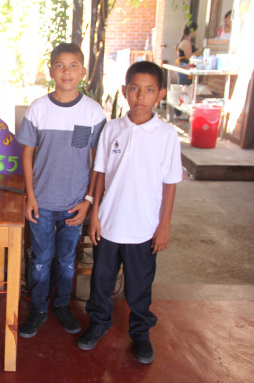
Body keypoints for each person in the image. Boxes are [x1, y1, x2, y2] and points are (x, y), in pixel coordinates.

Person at [78, 61, 183, 364]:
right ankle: (98, 324)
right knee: (101, 279)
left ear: (160, 94)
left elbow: (170, 184)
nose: (141, 96)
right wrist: (94, 214)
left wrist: (164, 226)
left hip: (144, 227)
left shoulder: (165, 135)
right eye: (134, 89)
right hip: (109, 224)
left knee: (139, 284)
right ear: (124, 91)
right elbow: (99, 174)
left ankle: (140, 332)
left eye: (149, 90)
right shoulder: (112, 129)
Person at [15, 43, 106, 338]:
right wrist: (30, 195)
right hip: (41, 202)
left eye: (73, 66)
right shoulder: (39, 108)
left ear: (82, 70)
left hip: (74, 203)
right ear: (50, 69)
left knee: (67, 260)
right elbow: (26, 154)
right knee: (41, 260)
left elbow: (98, 162)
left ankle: (63, 306)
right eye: (60, 65)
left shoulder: (93, 112)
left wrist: (89, 201)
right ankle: (39, 308)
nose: (66, 72)